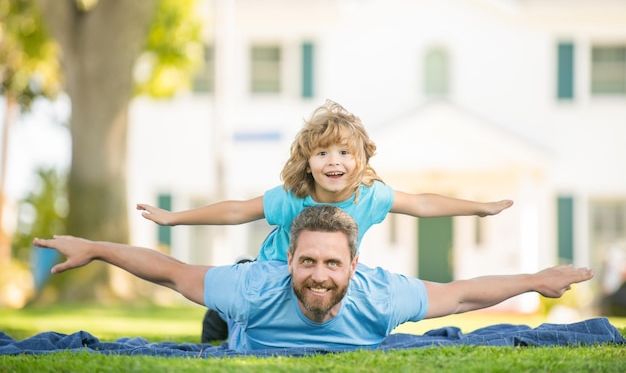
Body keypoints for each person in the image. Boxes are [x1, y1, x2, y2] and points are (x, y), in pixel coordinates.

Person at [136, 100, 514, 341]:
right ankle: (219, 326)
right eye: (322, 153)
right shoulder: (292, 197)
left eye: (344, 152)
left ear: (361, 159)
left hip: (327, 282)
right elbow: (237, 211)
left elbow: (423, 204)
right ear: (308, 162)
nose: (334, 162)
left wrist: (479, 207)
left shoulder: (371, 196)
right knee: (237, 313)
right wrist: (175, 219)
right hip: (273, 276)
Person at [32, 205, 594, 351]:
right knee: (216, 321)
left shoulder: (380, 293)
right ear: (288, 260)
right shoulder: (258, 284)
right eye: (308, 261)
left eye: (332, 263)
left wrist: (535, 278)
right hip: (241, 318)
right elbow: (172, 271)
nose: (319, 275)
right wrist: (97, 250)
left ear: (354, 265)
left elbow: (464, 293)